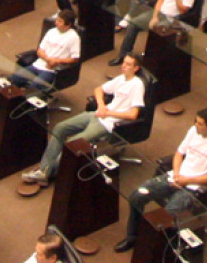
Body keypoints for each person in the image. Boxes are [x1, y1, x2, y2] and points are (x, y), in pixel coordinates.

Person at [23, 54, 146, 189]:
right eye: (124, 62)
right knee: (60, 128)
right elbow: (98, 89)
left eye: (128, 64)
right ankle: (44, 171)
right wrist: (101, 106)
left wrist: (108, 113)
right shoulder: (121, 79)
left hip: (107, 124)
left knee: (72, 144)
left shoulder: (137, 85)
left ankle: (47, 171)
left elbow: (133, 115)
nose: (123, 66)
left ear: (136, 68)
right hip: (97, 114)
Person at [116, 107, 207, 252]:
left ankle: (152, 249)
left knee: (164, 218)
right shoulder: (193, 131)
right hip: (174, 177)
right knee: (136, 196)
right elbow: (179, 154)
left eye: (200, 123)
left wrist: (187, 180)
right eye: (196, 121)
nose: (196, 125)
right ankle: (132, 238)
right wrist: (176, 174)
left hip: (191, 188)